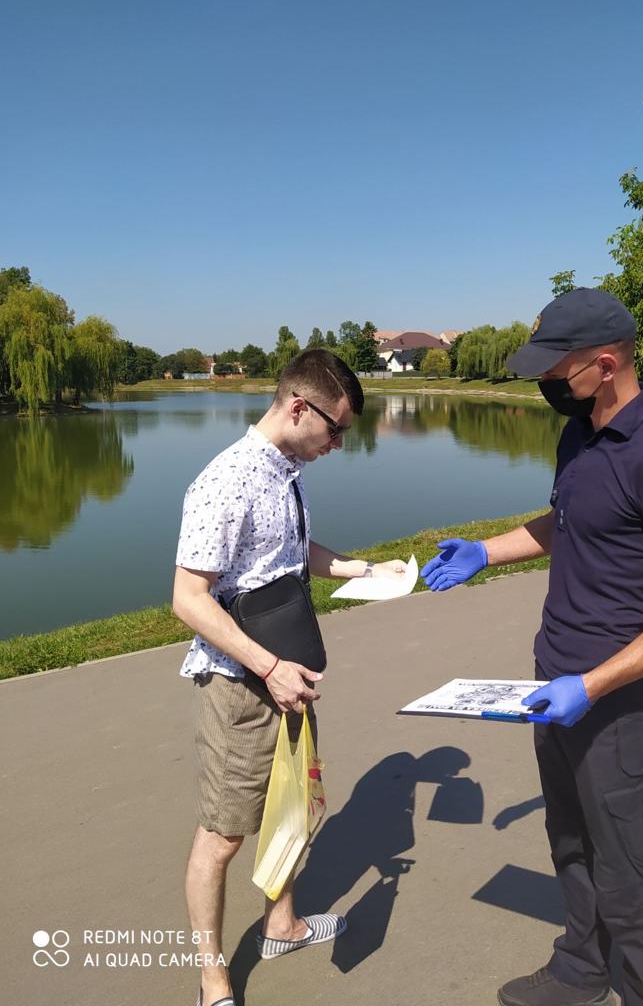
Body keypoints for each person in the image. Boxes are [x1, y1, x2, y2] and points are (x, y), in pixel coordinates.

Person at [420, 288, 643, 1006]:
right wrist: (486, 553)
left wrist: (592, 684)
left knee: (635, 868)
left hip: (615, 702)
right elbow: (569, 520)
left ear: (608, 364)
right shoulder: (580, 434)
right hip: (550, 683)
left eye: (558, 372)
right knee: (573, 842)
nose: (545, 384)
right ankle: (581, 971)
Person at [172, 349, 406, 1006]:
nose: (338, 444)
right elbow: (189, 599)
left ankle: (282, 925)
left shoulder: (284, 473)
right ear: (299, 407)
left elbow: (290, 552)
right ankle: (212, 976)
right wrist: (269, 668)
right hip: (244, 683)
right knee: (223, 834)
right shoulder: (226, 481)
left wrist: (364, 570)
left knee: (290, 809)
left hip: (286, 674)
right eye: (336, 429)